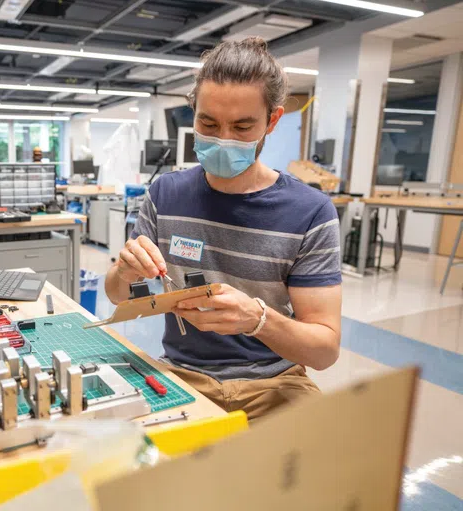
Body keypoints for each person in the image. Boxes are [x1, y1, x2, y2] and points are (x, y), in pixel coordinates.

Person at [105, 37, 342, 421]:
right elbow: (118, 295)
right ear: (193, 113)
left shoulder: (310, 212)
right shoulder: (165, 194)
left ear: (273, 121)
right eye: (208, 123)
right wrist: (124, 270)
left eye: (243, 126)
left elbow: (324, 351)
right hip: (183, 377)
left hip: (275, 382)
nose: (223, 140)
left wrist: (258, 319)